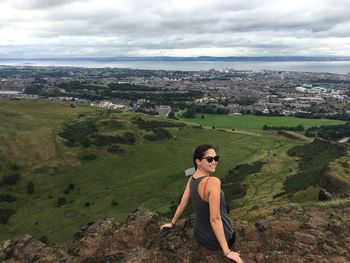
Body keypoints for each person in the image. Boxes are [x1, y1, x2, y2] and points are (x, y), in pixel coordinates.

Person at [160, 144, 243, 263]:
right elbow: (215, 218)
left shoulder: (192, 178)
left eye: (216, 158)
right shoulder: (213, 182)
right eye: (210, 159)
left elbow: (183, 203)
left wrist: (172, 223)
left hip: (199, 234)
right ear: (198, 161)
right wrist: (227, 252)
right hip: (217, 239)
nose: (214, 162)